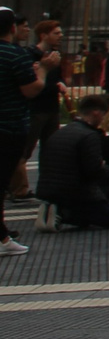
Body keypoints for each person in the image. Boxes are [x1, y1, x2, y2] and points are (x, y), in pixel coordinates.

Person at [0, 19, 58, 252]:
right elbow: (31, 89)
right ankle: (2, 240)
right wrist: (43, 71)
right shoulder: (15, 55)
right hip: (8, 127)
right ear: (12, 28)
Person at [37, 93, 109, 231]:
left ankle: (55, 207)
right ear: (96, 112)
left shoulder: (62, 131)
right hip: (74, 190)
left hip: (48, 188)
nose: (104, 118)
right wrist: (107, 168)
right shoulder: (90, 136)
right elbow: (94, 171)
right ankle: (64, 213)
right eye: (104, 114)